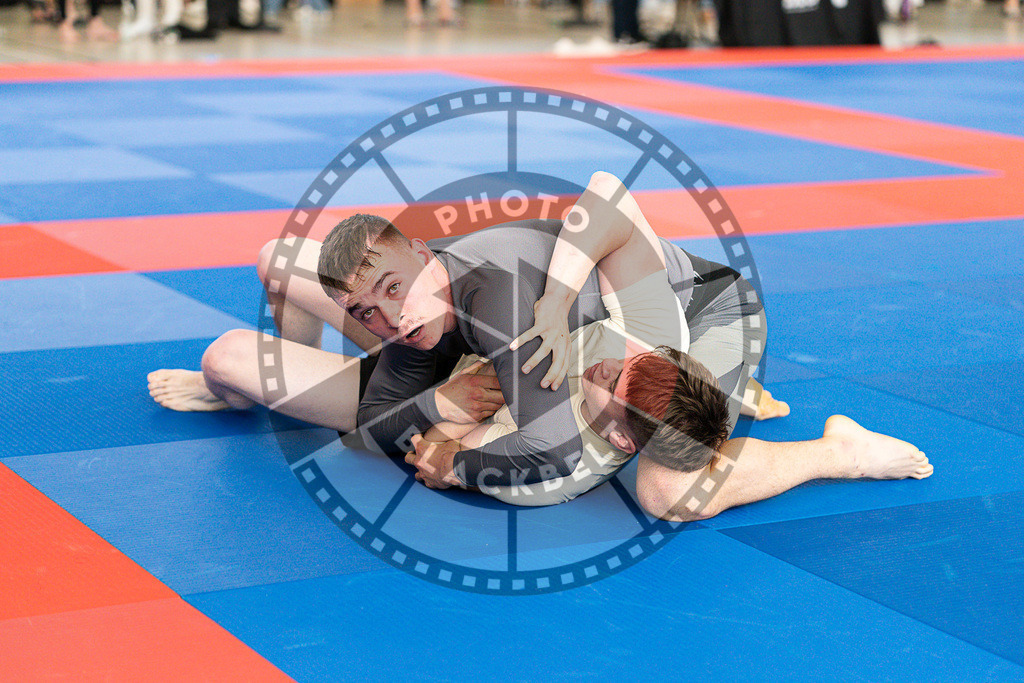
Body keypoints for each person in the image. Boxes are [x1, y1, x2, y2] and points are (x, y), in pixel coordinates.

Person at [150, 171, 931, 521]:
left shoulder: (566, 436)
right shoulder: (624, 331)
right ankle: (718, 399)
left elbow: (490, 452)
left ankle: (831, 450)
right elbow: (612, 198)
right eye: (377, 299)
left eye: (391, 294)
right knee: (274, 266)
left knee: (665, 494)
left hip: (700, 323)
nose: (600, 365)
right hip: (604, 318)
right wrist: (559, 296)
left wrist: (454, 440)